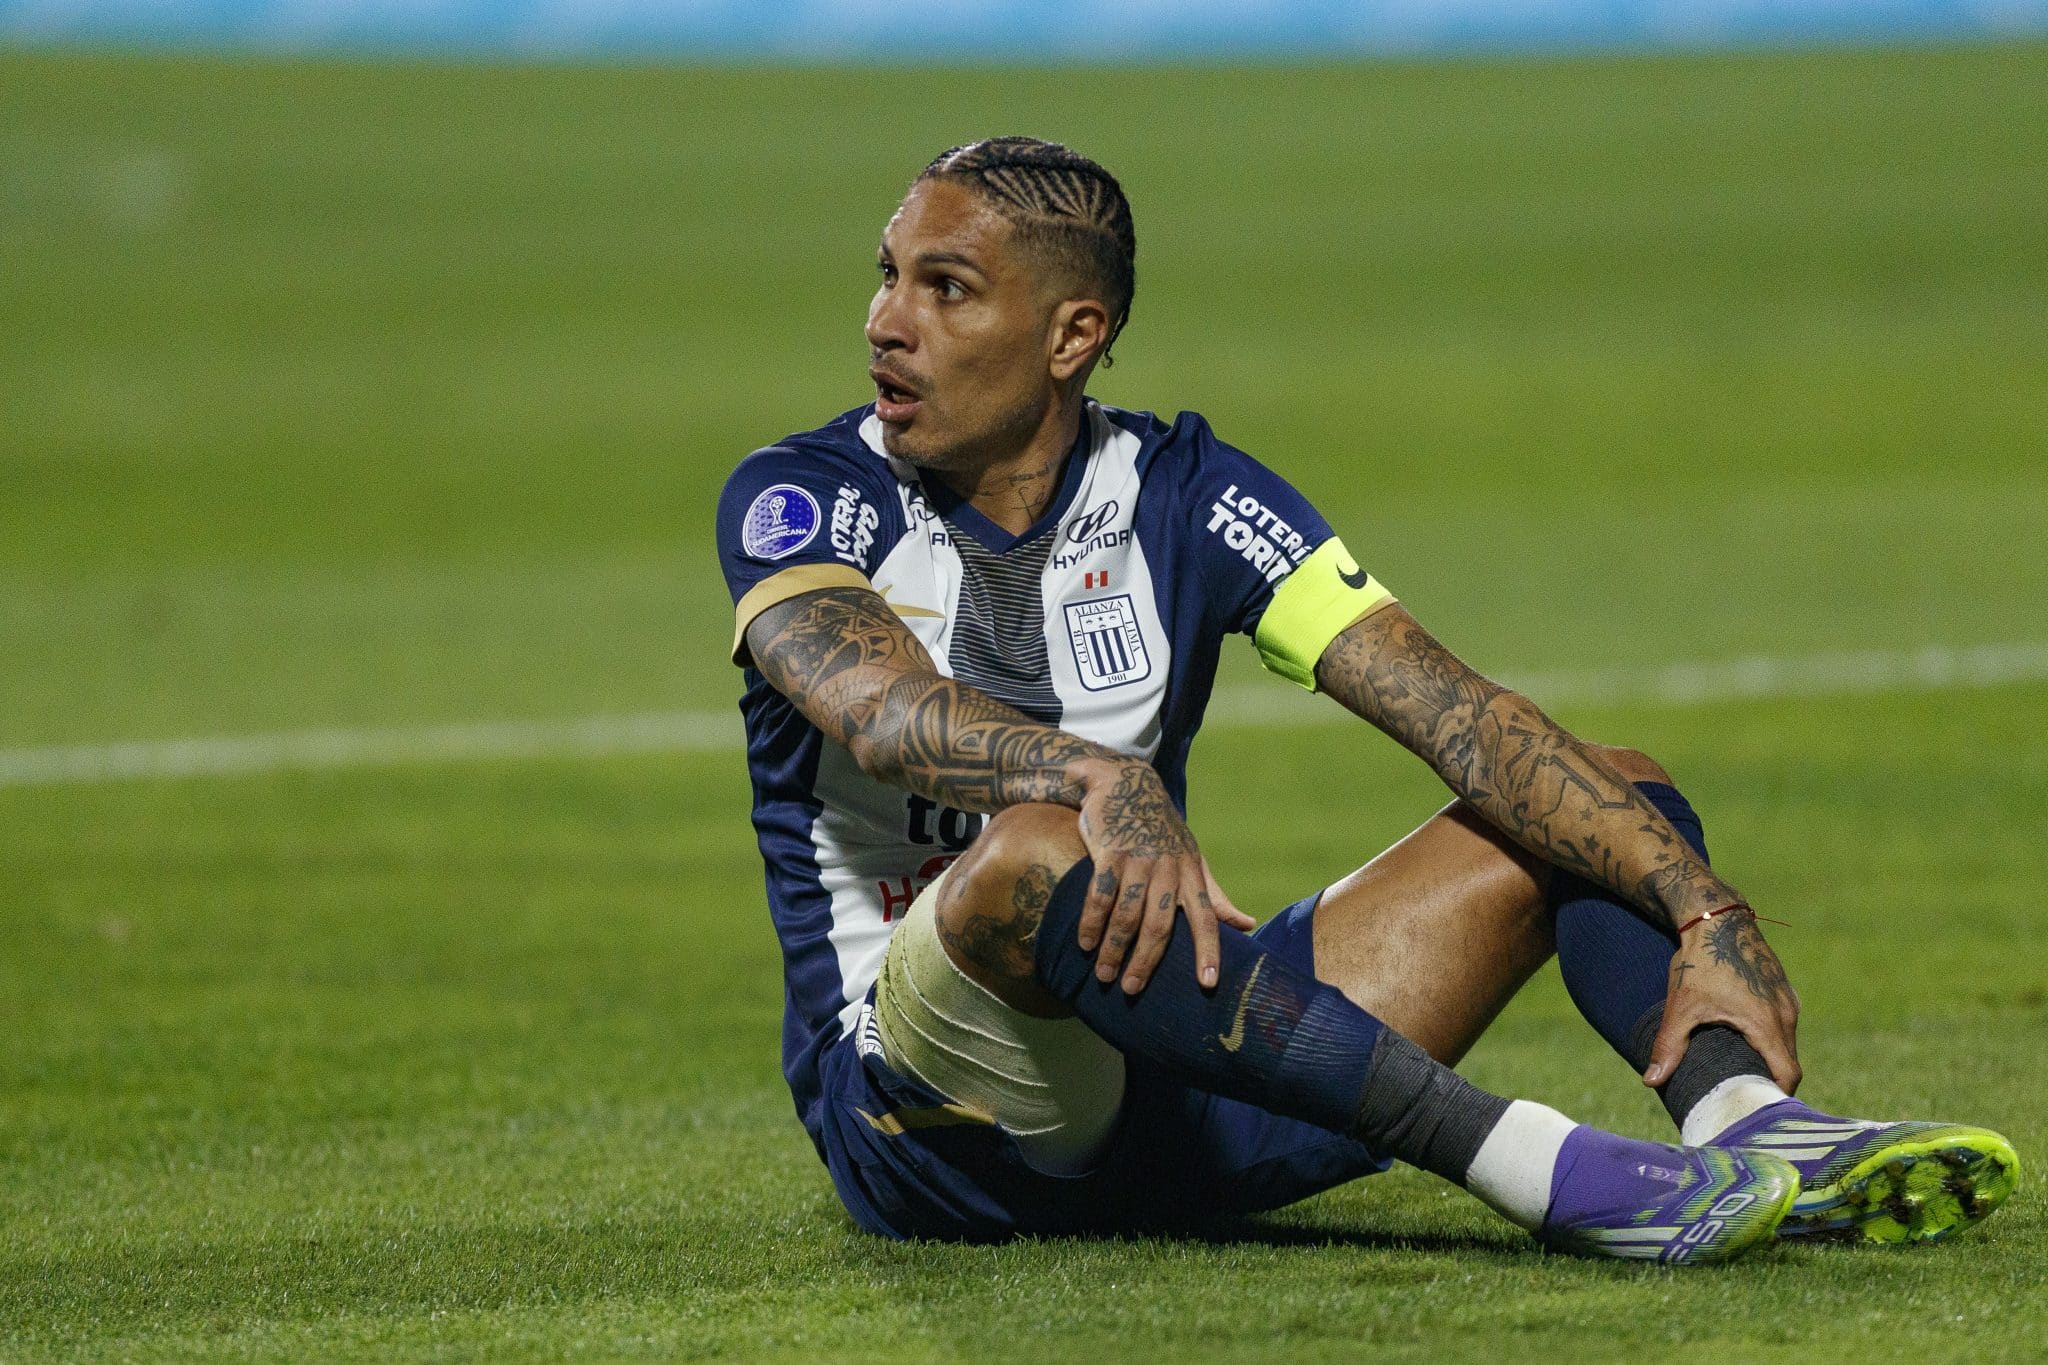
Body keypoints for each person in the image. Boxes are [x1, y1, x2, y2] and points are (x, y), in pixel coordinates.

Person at [713, 137, 2017, 1259]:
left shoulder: (1186, 490)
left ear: (1073, 335)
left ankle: (1752, 1131)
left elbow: (1461, 716)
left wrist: (1706, 906)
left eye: (947, 289)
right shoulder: (807, 497)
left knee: (1603, 795)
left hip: (1181, 1083)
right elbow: (877, 710)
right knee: (1035, 856)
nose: (890, 320)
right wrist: (1099, 776)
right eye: (890, 274)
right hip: (926, 1120)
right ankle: (1545, 1173)